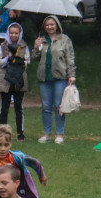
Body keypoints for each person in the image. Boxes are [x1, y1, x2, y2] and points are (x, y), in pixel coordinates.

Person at [33, 15, 76, 144]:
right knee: (46, 105)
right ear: (44, 27)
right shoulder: (42, 40)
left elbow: (70, 58)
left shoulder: (64, 39)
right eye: (47, 25)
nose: (50, 27)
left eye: (52, 24)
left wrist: (72, 74)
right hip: (44, 77)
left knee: (59, 105)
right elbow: (34, 57)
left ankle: (59, 134)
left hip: (60, 77)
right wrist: (37, 47)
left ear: (57, 25)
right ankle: (47, 134)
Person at [0, 22, 30, 141]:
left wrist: (17, 59)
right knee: (4, 107)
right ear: (8, 33)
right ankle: (2, 132)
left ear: (20, 34)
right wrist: (8, 58)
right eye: (12, 33)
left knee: (18, 107)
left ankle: (20, 132)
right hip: (5, 79)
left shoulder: (24, 47)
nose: (14, 35)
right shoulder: (3, 46)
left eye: (16, 33)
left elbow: (27, 62)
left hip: (19, 79)